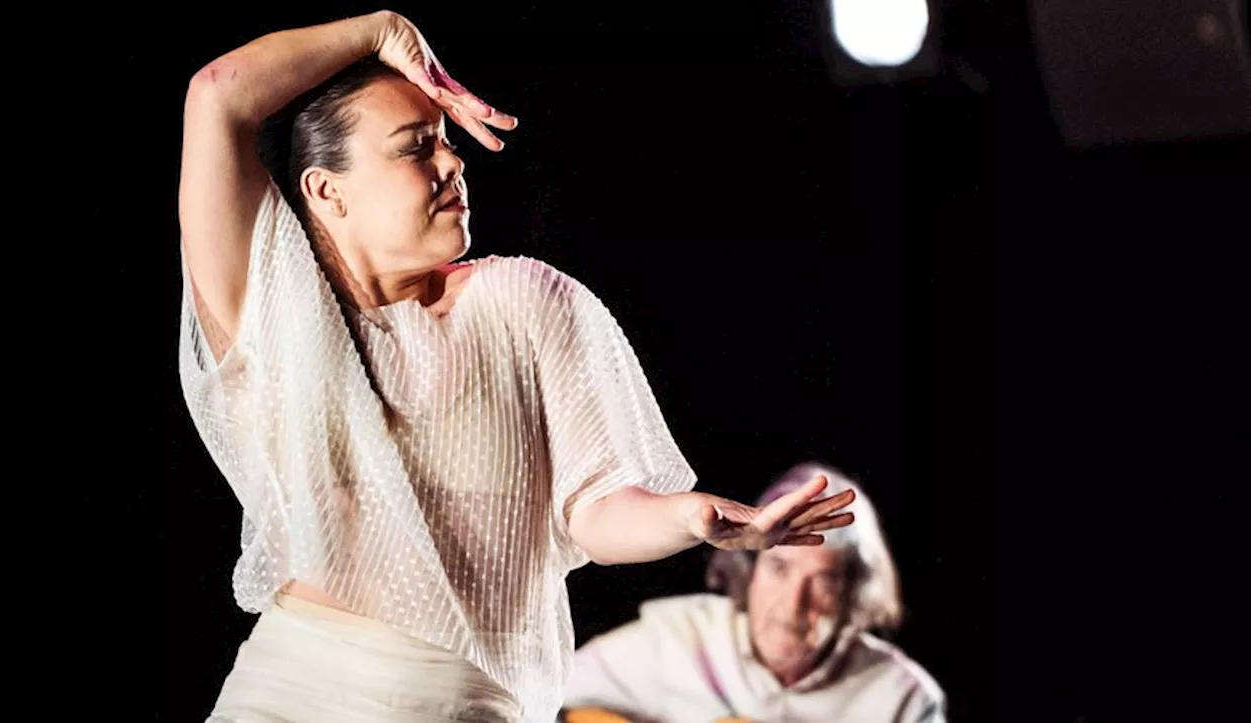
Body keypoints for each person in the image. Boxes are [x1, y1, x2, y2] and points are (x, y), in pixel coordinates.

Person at [176, 10, 859, 723]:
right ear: (326, 191)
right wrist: (381, 30)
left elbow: (593, 510)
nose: (453, 162)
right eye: (416, 148)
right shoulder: (274, 314)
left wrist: (696, 518)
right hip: (290, 696)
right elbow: (220, 93)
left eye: (446, 142)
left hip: (466, 705)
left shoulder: (525, 301)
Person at [560, 462, 945, 723]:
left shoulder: (903, 699)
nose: (794, 605)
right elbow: (541, 698)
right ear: (749, 571)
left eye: (824, 580)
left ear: (856, 595)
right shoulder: (677, 638)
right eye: (780, 568)